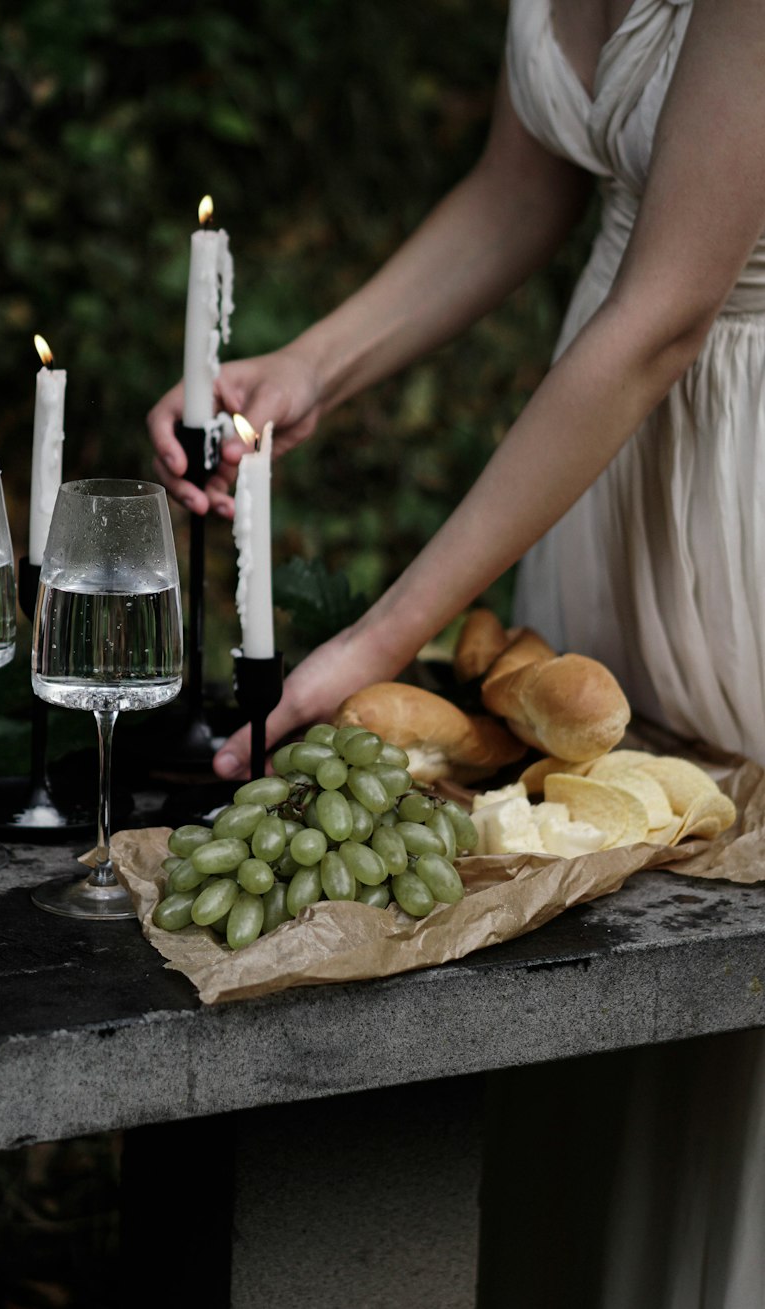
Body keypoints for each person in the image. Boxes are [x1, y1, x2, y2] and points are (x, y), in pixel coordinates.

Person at [150, 4, 765, 1302]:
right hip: (594, 470)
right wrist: (313, 366)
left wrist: (384, 633)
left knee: (722, 965)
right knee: (588, 912)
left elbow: (666, 315)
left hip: (733, 483)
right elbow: (520, 190)